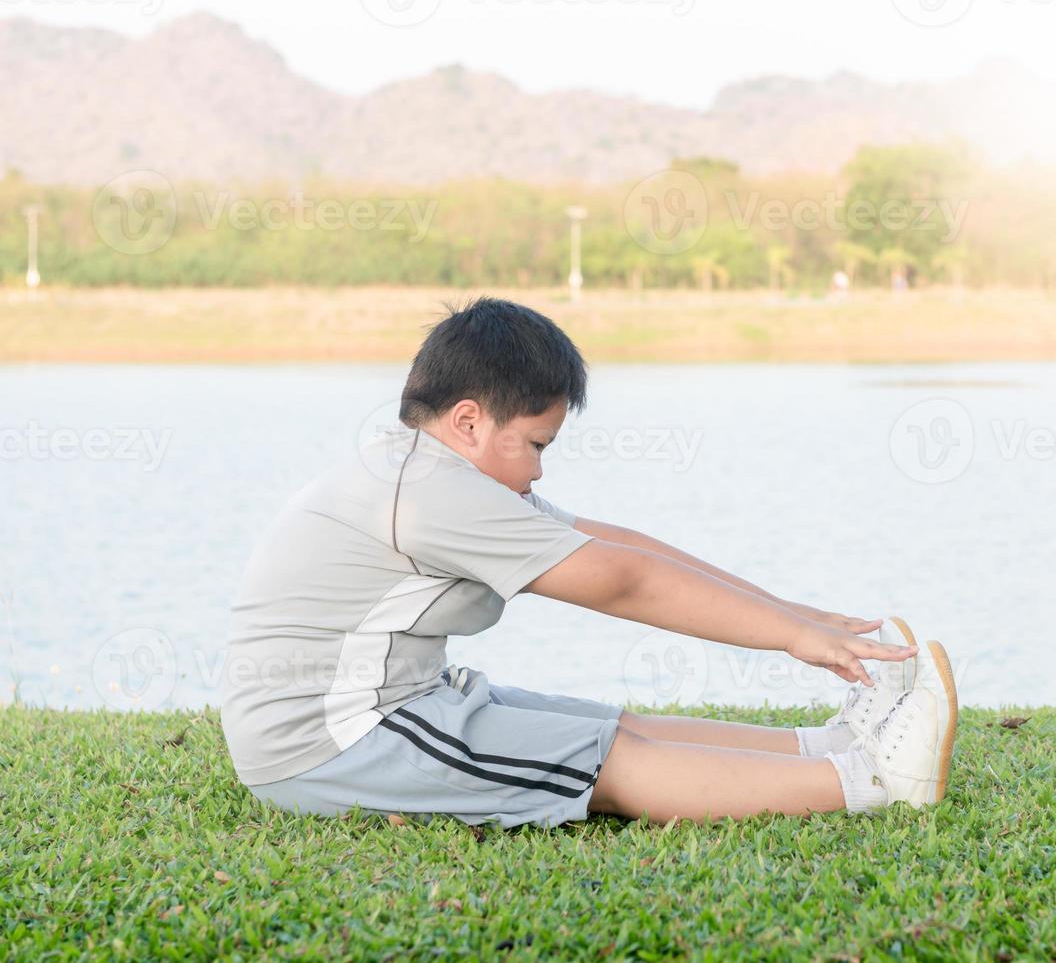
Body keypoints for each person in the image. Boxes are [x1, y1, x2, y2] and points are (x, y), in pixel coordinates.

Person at [219, 297, 959, 828]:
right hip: (332, 743)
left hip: (394, 703)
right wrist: (796, 641)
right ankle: (873, 780)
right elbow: (622, 582)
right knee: (609, 763)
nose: (538, 473)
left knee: (615, 725)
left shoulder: (433, 474)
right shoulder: (428, 494)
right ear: (470, 420)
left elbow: (621, 546)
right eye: (536, 445)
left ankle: (830, 745)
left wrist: (799, 616)